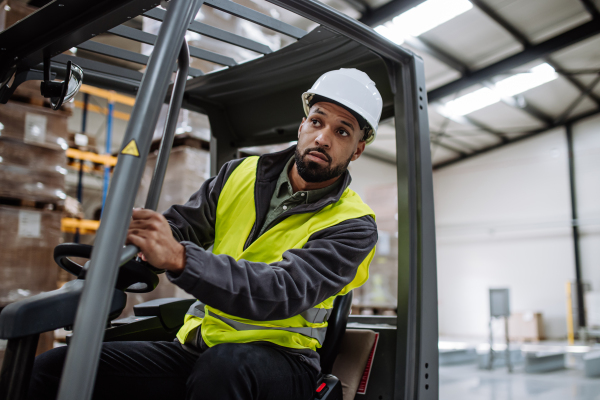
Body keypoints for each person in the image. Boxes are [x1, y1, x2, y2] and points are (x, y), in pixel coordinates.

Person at [29, 68, 383, 400]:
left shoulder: (354, 224)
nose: (323, 138)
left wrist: (181, 258)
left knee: (224, 368)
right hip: (200, 346)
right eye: (317, 121)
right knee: (56, 366)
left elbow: (282, 291)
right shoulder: (240, 173)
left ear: (357, 149)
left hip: (284, 361)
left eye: (342, 131)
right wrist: (140, 247)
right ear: (302, 124)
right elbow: (183, 225)